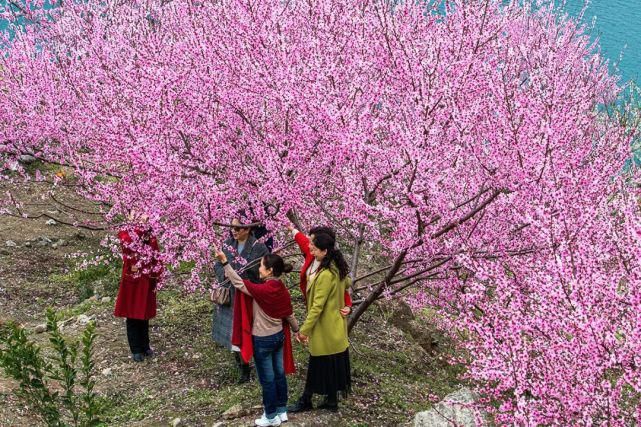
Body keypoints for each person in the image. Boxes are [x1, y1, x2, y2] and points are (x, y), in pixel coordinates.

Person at [215, 249, 298, 427]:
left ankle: (270, 416)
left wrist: (224, 262)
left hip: (263, 340)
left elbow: (238, 283)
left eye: (261, 266)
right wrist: (298, 331)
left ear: (269, 271)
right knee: (279, 374)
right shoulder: (281, 288)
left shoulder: (262, 290)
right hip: (279, 337)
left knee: (267, 379)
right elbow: (289, 314)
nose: (259, 269)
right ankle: (282, 410)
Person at [288, 232, 352, 413]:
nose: (311, 250)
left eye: (314, 248)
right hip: (336, 328)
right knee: (332, 363)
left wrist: (304, 331)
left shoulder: (325, 275)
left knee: (317, 363)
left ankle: (306, 400)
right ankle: (331, 401)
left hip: (325, 327)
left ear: (324, 251)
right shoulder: (337, 267)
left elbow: (317, 307)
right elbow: (348, 283)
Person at [211, 218, 269, 383]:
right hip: (230, 293)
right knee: (232, 331)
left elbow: (262, 272)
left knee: (248, 329)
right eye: (232, 228)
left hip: (248, 295)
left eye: (238, 228)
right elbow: (217, 265)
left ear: (248, 229)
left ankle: (252, 363)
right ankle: (241, 365)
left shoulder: (259, 247)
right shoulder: (228, 243)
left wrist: (242, 276)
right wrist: (226, 274)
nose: (234, 231)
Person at [114, 223, 163, 362]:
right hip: (133, 278)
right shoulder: (126, 230)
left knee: (144, 313)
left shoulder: (149, 231)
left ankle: (145, 345)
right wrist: (139, 229)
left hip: (147, 278)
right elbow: (127, 244)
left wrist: (158, 270)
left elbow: (155, 251)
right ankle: (136, 348)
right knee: (132, 314)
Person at [288, 225, 352, 315]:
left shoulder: (332, 268)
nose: (309, 245)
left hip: (324, 312)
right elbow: (302, 240)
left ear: (322, 247)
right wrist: (292, 229)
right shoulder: (313, 253)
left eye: (311, 243)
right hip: (311, 305)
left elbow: (341, 286)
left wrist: (347, 305)